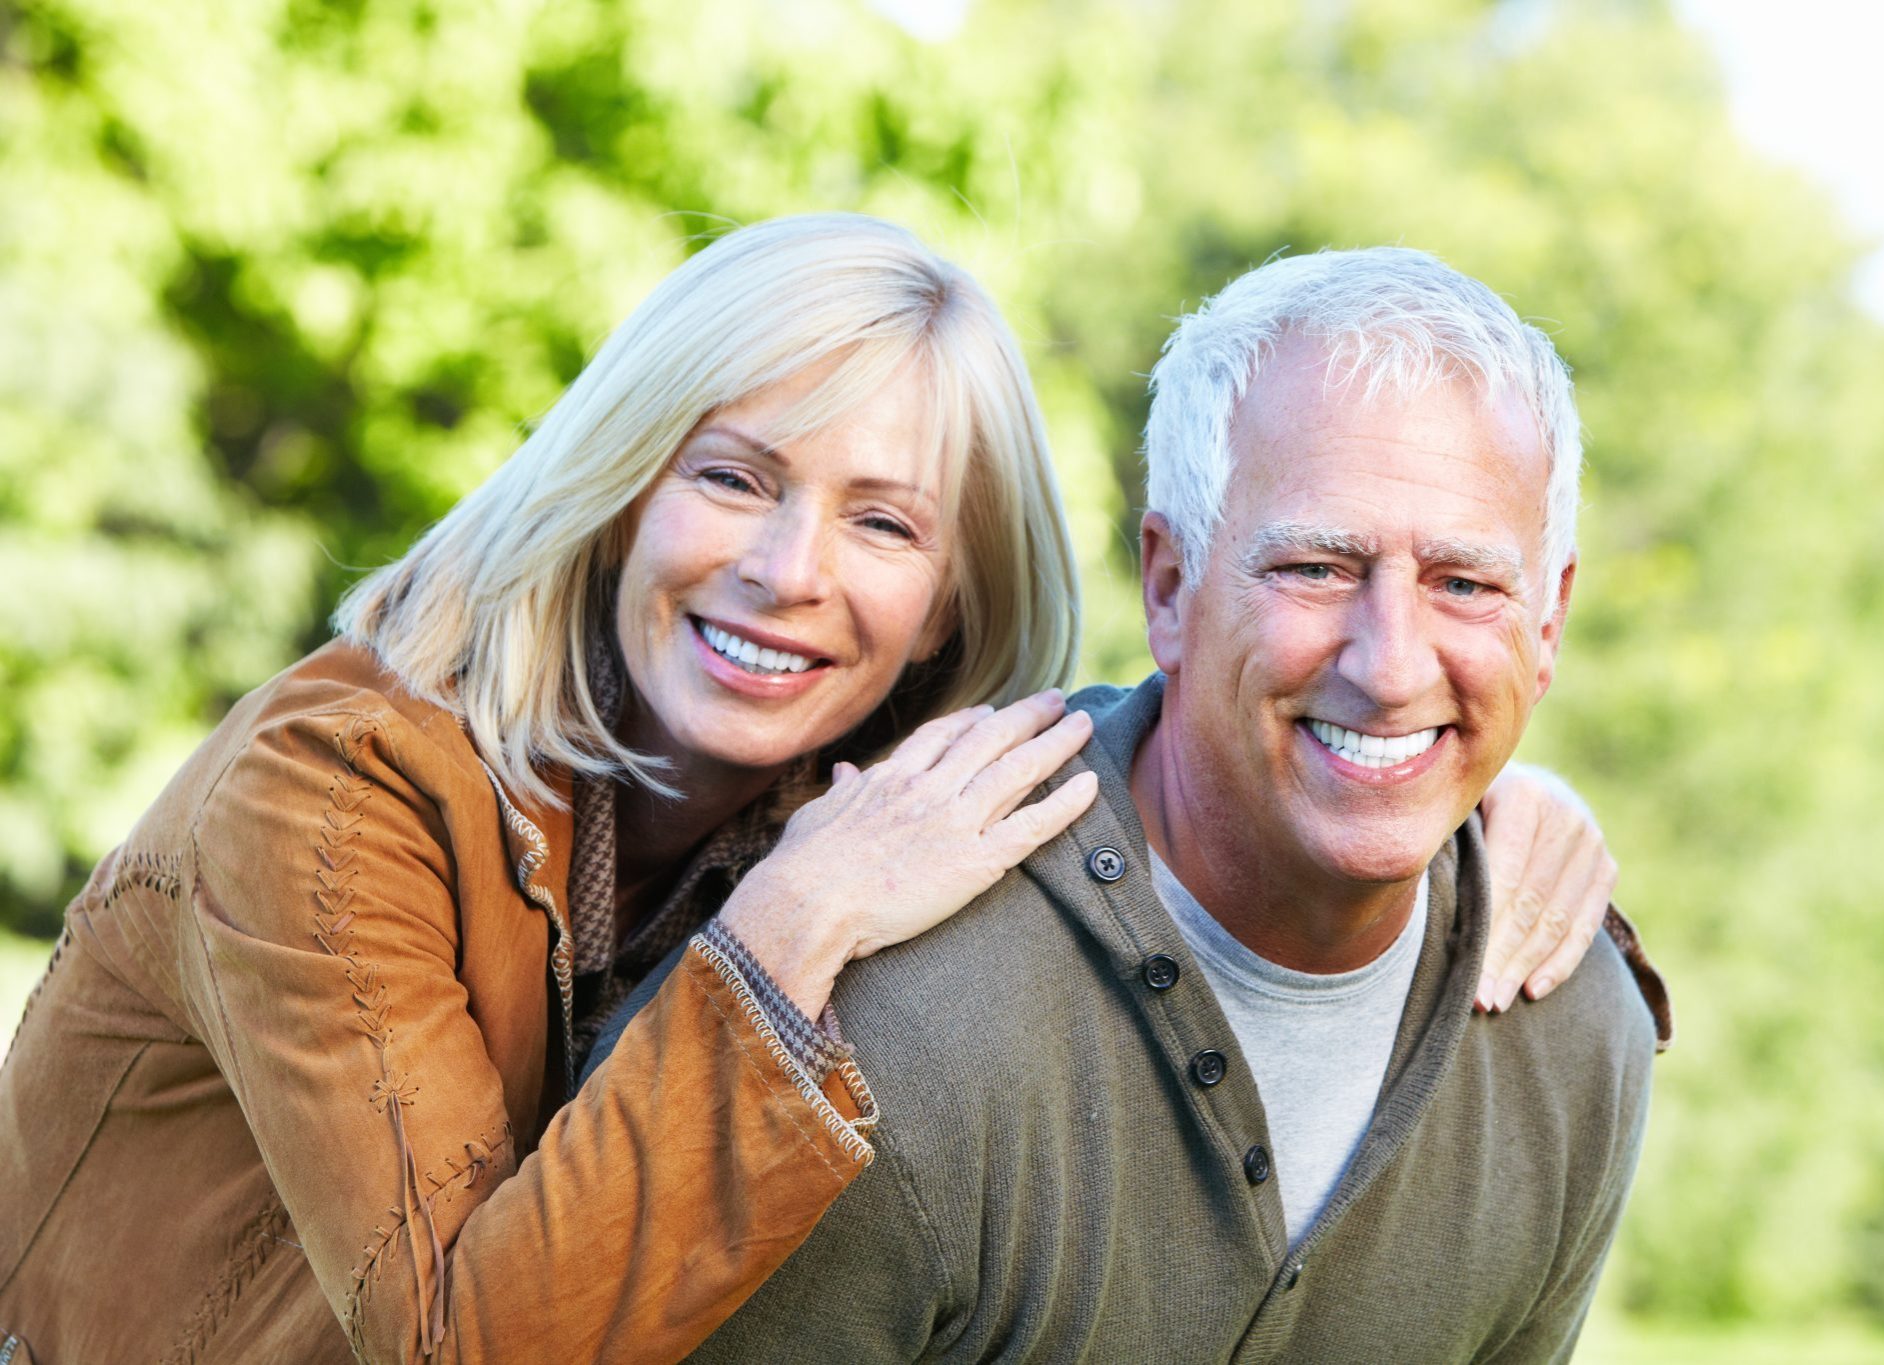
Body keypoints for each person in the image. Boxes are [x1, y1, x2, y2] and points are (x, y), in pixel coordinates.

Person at [0, 217, 1625, 1365]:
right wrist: (786, 936)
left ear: (947, 599)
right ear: (624, 484)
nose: (789, 573)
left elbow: (1241, 721)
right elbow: (458, 1348)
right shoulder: (338, 795)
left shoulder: (847, 803)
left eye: (883, 524)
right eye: (735, 477)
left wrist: (1458, 808)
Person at [673, 246, 1672, 1364]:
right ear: (1168, 586)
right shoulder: (881, 1012)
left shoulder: (1577, 1034)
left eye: (1466, 584)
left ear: (1547, 624)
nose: (1390, 666)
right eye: (1314, 568)